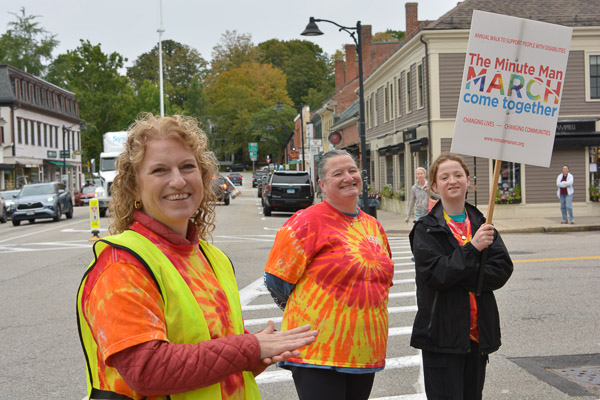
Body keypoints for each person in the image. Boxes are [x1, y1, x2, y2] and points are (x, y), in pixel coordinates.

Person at [76, 113, 317, 400]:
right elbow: (146, 370)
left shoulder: (213, 258)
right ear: (134, 187)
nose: (178, 181)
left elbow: (214, 360)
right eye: (160, 170)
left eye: (187, 167)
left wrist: (256, 357)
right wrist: (249, 348)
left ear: (203, 177)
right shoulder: (122, 264)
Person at [264, 149, 395, 400]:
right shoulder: (306, 221)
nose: (348, 177)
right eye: (338, 173)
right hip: (318, 351)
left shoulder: (373, 225)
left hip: (365, 350)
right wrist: (314, 313)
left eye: (352, 170)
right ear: (322, 184)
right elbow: (276, 280)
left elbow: (382, 281)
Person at [409, 153, 513, 400]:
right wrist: (473, 249)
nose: (452, 181)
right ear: (435, 186)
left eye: (458, 175)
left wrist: (457, 273)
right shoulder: (425, 229)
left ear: (468, 180)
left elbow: (501, 270)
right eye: (444, 177)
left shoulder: (482, 223)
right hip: (441, 337)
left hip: (477, 336)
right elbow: (436, 276)